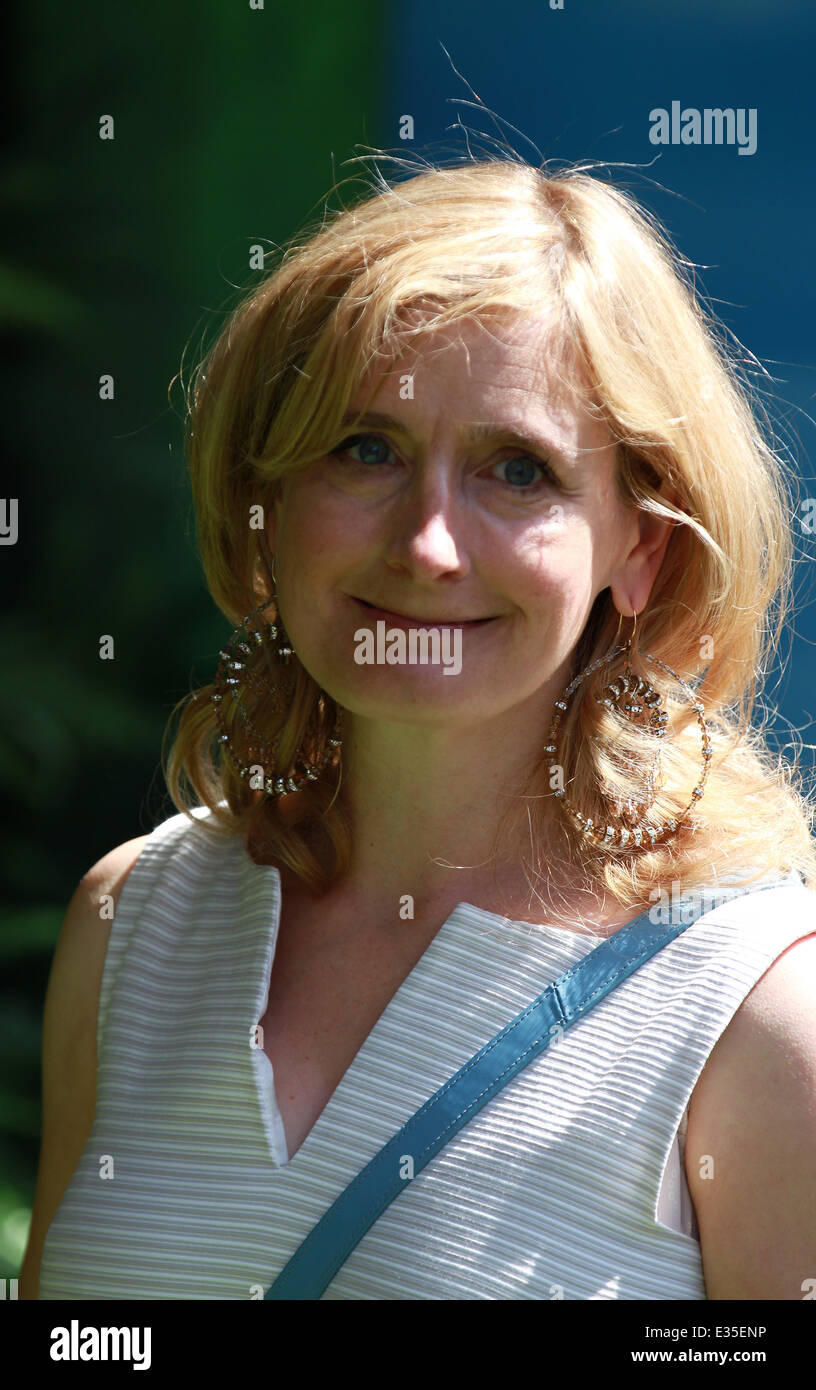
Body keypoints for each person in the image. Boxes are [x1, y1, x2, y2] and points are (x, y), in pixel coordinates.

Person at [23, 156, 816, 1300]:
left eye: (516, 470)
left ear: (640, 551)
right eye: (367, 449)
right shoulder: (133, 925)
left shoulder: (758, 1009)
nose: (430, 545)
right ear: (267, 498)